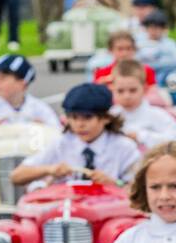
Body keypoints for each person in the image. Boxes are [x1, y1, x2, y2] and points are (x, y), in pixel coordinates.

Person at [11, 81, 140, 189]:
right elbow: (16, 176)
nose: (79, 124)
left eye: (87, 117)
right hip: (68, 213)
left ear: (106, 118)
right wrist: (50, 170)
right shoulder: (61, 143)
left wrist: (114, 184)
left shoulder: (124, 147)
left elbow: (140, 190)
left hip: (110, 214)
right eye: (73, 117)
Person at [0, 54, 60, 146]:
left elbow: (58, 137)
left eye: (3, 78)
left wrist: (44, 129)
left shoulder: (39, 109)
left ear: (22, 83)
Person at [110, 59, 176, 147]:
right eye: (120, 91)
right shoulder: (111, 116)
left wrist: (142, 136)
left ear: (145, 88)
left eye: (133, 90)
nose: (126, 96)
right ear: (113, 88)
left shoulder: (157, 114)